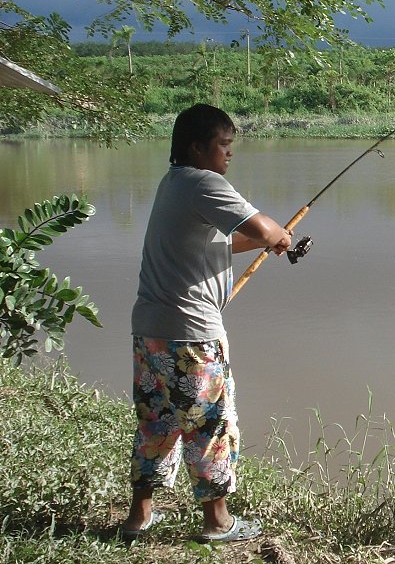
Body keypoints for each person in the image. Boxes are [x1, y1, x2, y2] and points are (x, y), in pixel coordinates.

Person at [121, 104, 292, 542]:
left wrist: (263, 240)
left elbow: (217, 243)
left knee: (156, 423)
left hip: (152, 329)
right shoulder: (205, 182)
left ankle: (139, 517)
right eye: (223, 145)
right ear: (197, 147)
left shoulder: (173, 183)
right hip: (191, 334)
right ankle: (217, 523)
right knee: (211, 425)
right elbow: (265, 228)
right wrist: (279, 237)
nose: (229, 154)